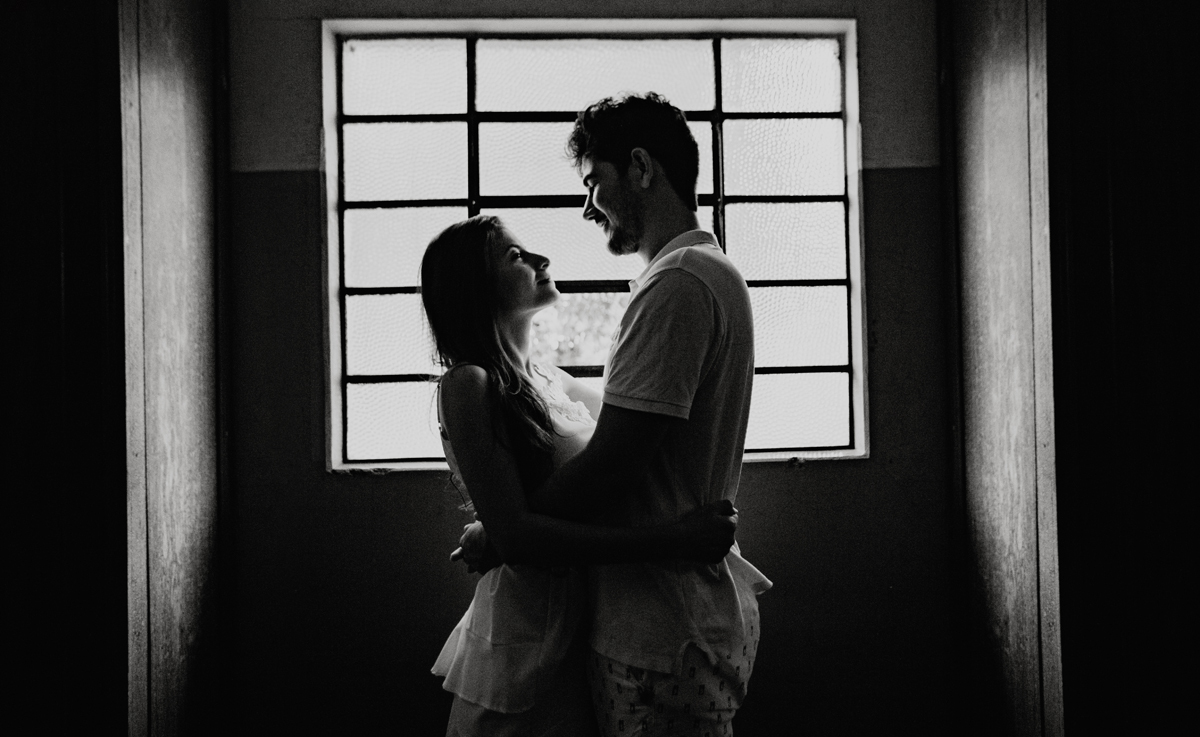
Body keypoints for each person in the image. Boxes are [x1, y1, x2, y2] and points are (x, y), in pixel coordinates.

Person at [461, 92, 772, 736]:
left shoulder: (679, 283)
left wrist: (507, 531)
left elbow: (612, 466)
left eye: (592, 182)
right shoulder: (705, 274)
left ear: (640, 167)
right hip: (671, 617)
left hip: (660, 629)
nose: (587, 208)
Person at [422, 214, 739, 737]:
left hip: (585, 631)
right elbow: (519, 538)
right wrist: (674, 541)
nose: (541, 260)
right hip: (524, 634)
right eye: (516, 256)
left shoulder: (552, 380)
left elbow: (635, 441)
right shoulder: (468, 384)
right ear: (474, 286)